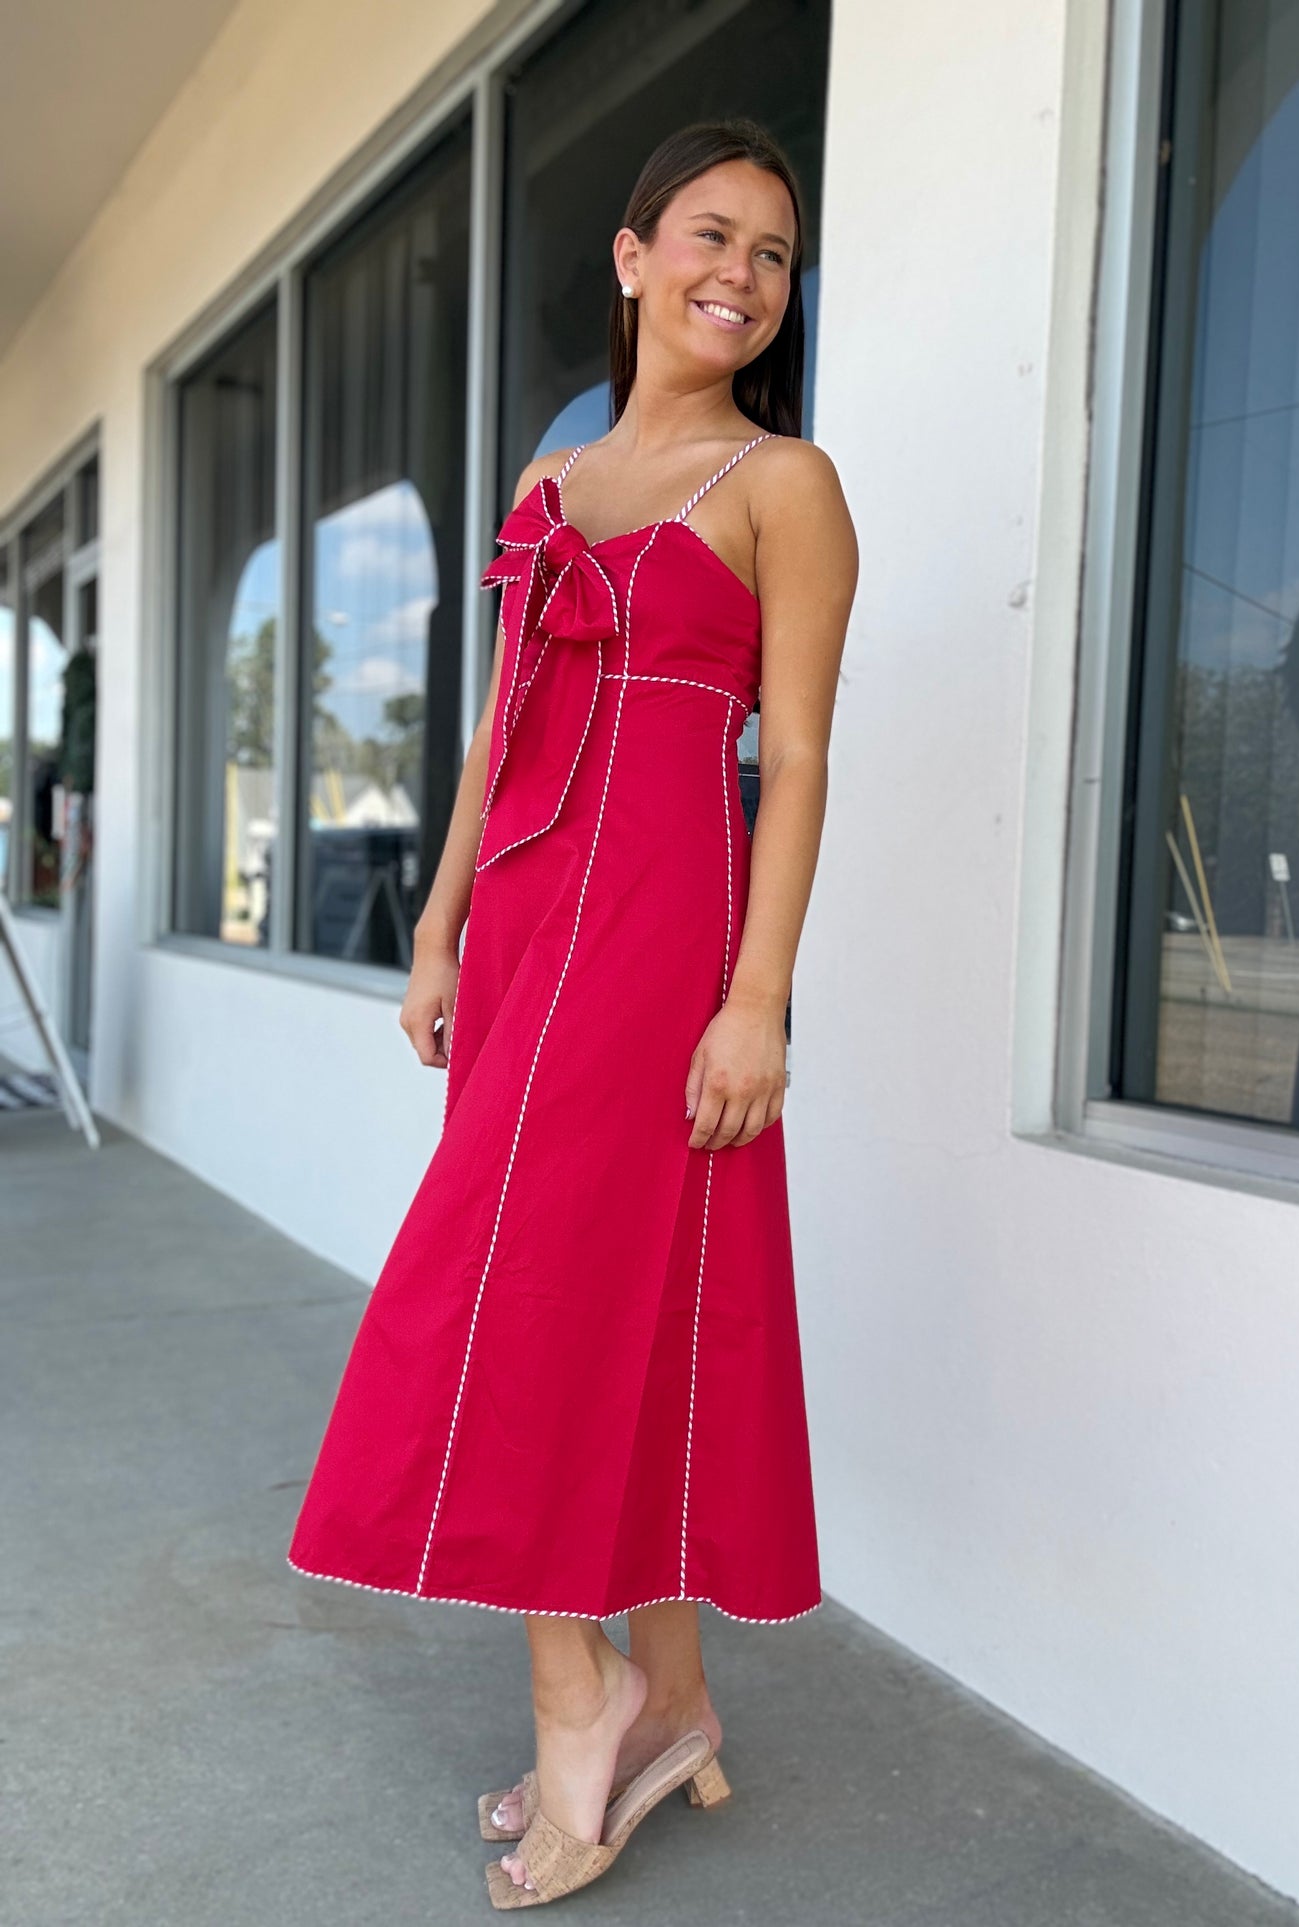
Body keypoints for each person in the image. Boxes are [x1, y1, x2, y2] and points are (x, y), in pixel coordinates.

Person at [287, 117, 857, 1909]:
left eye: (772, 253)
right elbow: (496, 739)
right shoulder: (551, 486)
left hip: (666, 939)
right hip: (530, 931)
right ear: (632, 257)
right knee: (608, 1295)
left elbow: (798, 759)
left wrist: (757, 1000)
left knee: (527, 1300)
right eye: (710, 234)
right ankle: (665, 1698)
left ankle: (576, 1703)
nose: (740, 274)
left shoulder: (785, 483)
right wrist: (437, 931)